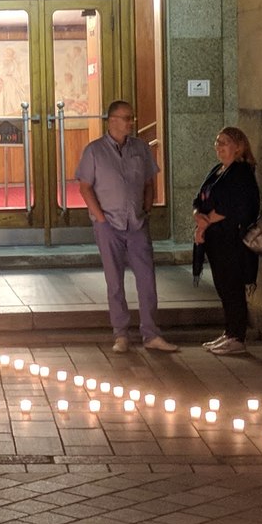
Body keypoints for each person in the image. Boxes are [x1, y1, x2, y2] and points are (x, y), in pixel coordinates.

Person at [77, 100, 173, 353]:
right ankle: (121, 334)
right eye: (126, 118)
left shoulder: (140, 148)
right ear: (112, 120)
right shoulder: (94, 151)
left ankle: (151, 333)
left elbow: (150, 181)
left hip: (137, 222)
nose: (131, 122)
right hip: (108, 223)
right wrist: (100, 218)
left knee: (146, 279)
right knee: (115, 281)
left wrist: (147, 208)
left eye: (132, 118)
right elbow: (85, 186)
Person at [193, 127, 261, 356]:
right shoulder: (218, 170)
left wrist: (206, 222)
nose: (219, 147)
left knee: (232, 287)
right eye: (217, 142)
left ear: (238, 147)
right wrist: (197, 216)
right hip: (215, 238)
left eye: (225, 143)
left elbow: (235, 206)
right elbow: (200, 197)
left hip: (231, 240)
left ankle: (237, 336)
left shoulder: (241, 172)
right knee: (223, 287)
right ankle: (229, 332)